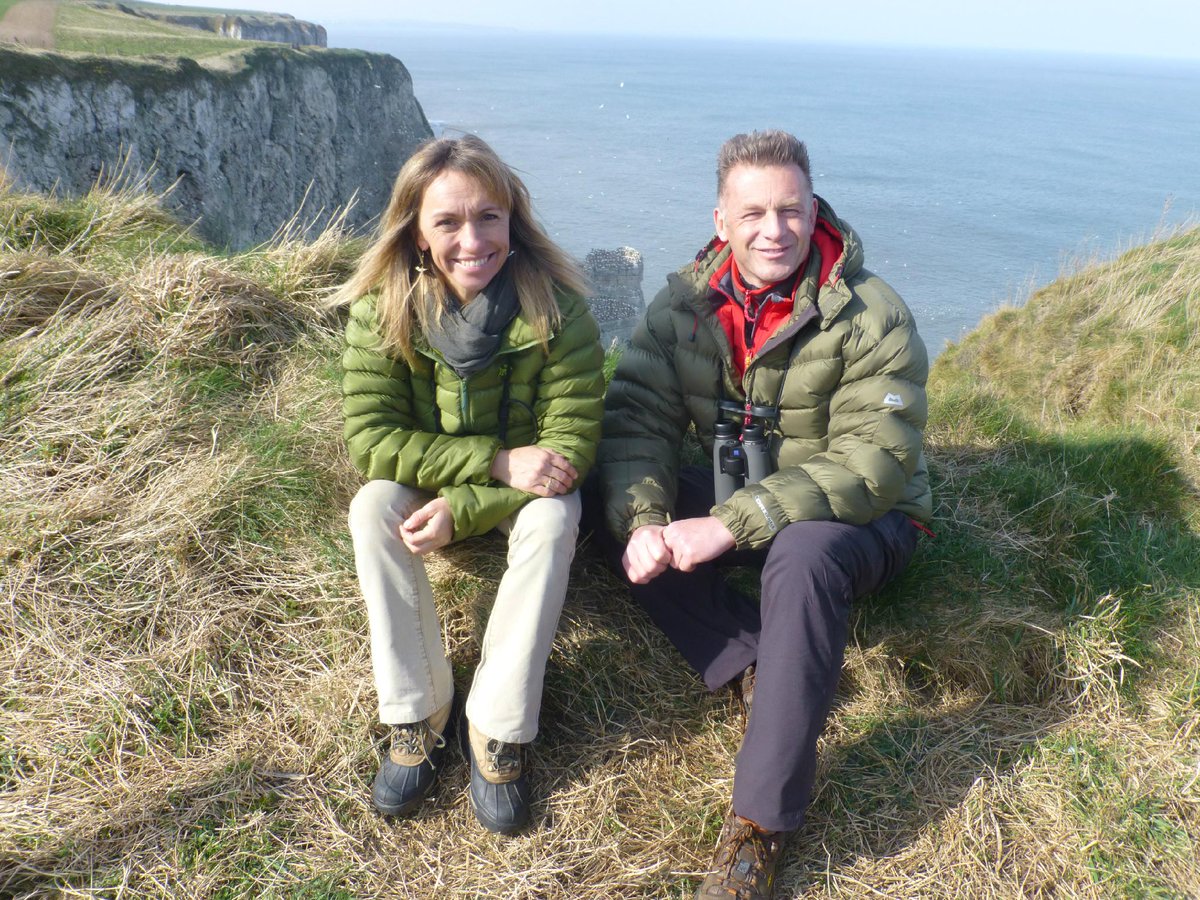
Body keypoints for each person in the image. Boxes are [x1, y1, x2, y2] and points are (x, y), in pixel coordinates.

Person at [595, 130, 931, 898]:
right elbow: (636, 422)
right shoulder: (684, 305)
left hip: (864, 520)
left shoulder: (869, 313)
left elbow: (870, 465)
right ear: (722, 220)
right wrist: (647, 521)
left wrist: (728, 525)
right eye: (753, 213)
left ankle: (759, 828)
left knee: (801, 557)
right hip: (742, 503)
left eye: (789, 209)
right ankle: (758, 662)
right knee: (594, 497)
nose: (773, 230)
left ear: (815, 210)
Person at [337, 134, 604, 835]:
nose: (472, 239)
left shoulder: (561, 310)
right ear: (417, 234)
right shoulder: (381, 310)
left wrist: (467, 505)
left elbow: (568, 447)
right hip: (466, 476)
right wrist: (490, 462)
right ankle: (417, 710)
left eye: (488, 216)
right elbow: (371, 442)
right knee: (371, 508)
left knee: (555, 517)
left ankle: (498, 727)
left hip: (514, 495)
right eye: (448, 222)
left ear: (513, 219)